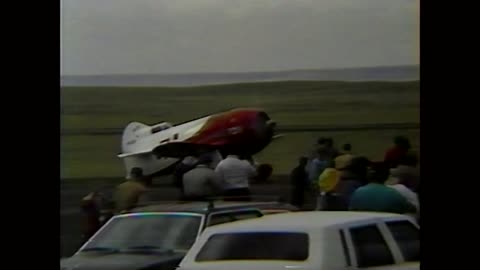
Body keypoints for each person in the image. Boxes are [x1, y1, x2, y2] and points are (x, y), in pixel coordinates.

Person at [349, 163, 416, 214]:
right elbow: (412, 209)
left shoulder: (358, 192)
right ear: (387, 177)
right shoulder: (393, 194)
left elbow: (351, 212)